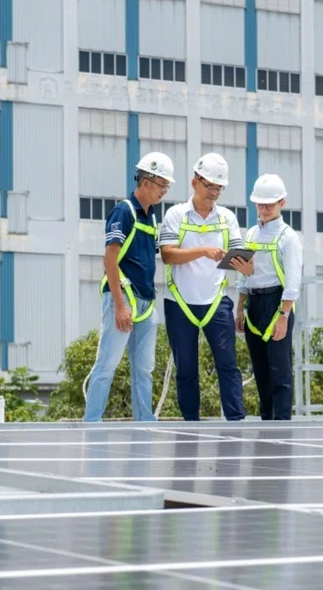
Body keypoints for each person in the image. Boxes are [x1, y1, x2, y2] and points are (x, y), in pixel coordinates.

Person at [83, 151, 174, 422]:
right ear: (146, 181)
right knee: (107, 365)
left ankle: (145, 424)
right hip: (123, 298)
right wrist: (120, 306)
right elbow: (110, 258)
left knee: (144, 369)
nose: (164, 191)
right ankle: (92, 425)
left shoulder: (152, 216)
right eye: (162, 185)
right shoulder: (125, 211)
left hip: (146, 303)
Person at [159, 153, 250, 421]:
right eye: (210, 186)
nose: (214, 193)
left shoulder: (227, 218)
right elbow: (167, 255)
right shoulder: (176, 214)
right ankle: (191, 424)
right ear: (194, 182)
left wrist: (246, 266)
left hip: (216, 300)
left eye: (218, 188)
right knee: (186, 368)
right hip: (180, 303)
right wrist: (202, 251)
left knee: (228, 365)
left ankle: (236, 421)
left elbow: (238, 257)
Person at [235, 174, 303, 421]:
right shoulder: (251, 234)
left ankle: (282, 427)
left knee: (280, 373)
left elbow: (293, 283)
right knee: (261, 372)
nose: (263, 209)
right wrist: (240, 309)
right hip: (254, 305)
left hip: (277, 305)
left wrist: (284, 316)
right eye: (260, 204)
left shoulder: (288, 238)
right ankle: (267, 423)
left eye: (269, 204)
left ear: (282, 203)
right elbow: (243, 276)